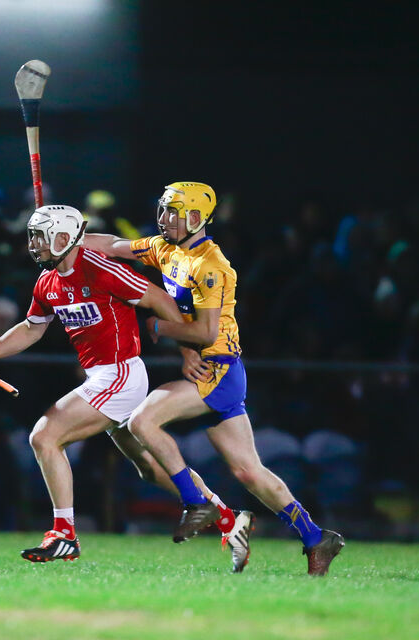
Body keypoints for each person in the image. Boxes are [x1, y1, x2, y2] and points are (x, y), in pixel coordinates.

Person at [0, 204, 244, 564]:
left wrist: (186, 351)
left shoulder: (100, 268)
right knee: (149, 469)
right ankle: (226, 515)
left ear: (63, 238)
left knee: (44, 436)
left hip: (121, 373)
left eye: (39, 238)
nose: (33, 245)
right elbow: (32, 328)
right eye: (32, 237)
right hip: (102, 377)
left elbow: (160, 300)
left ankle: (64, 535)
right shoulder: (47, 281)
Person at [83, 181, 345, 576]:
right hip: (210, 369)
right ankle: (315, 537)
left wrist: (158, 327)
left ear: (196, 218)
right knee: (248, 472)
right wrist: (71, 236)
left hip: (218, 368)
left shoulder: (211, 266)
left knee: (139, 420)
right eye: (164, 210)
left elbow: (205, 334)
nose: (165, 219)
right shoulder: (163, 247)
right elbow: (115, 245)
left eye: (175, 212)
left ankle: (197, 502)